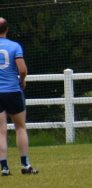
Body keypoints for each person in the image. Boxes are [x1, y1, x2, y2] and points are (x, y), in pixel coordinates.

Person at [0, 18, 38, 176]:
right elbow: (22, 69)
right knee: (20, 127)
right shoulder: (15, 46)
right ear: (7, 29)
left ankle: (4, 167)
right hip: (13, 91)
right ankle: (25, 165)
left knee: (0, 131)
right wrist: (21, 80)